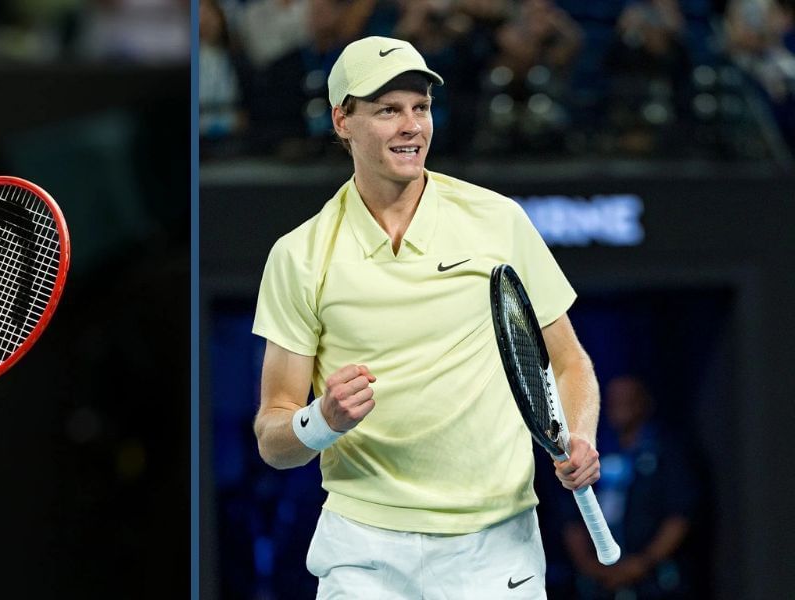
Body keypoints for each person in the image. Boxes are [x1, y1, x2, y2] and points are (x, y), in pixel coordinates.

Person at [251, 35, 603, 598]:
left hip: (495, 546)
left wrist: (579, 437)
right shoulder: (299, 256)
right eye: (388, 110)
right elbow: (273, 437)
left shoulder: (499, 220)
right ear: (342, 120)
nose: (411, 126)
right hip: (364, 548)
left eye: (421, 107)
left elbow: (569, 364)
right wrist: (322, 419)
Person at [562, 375, 699, 599]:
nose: (620, 406)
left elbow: (681, 513)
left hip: (655, 582)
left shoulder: (667, 452)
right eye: (614, 400)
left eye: (628, 399)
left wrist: (643, 563)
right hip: (599, 584)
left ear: (645, 402)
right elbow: (570, 516)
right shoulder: (589, 450)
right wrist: (588, 565)